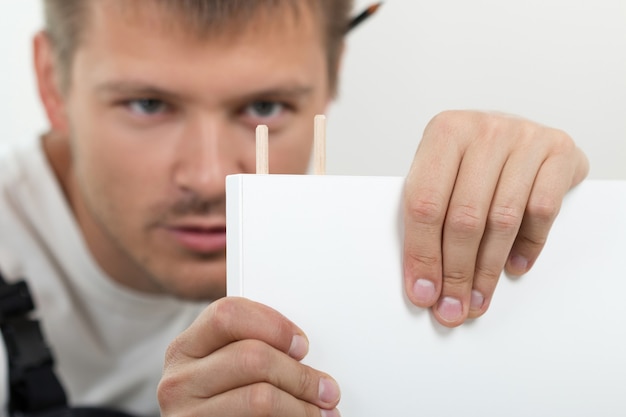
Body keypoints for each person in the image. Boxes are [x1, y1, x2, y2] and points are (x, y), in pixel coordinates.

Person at [0, 0, 589, 416]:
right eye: (149, 104)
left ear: (332, 79)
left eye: (264, 105)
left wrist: (565, 232)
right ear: (53, 83)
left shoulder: (388, 253)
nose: (209, 179)